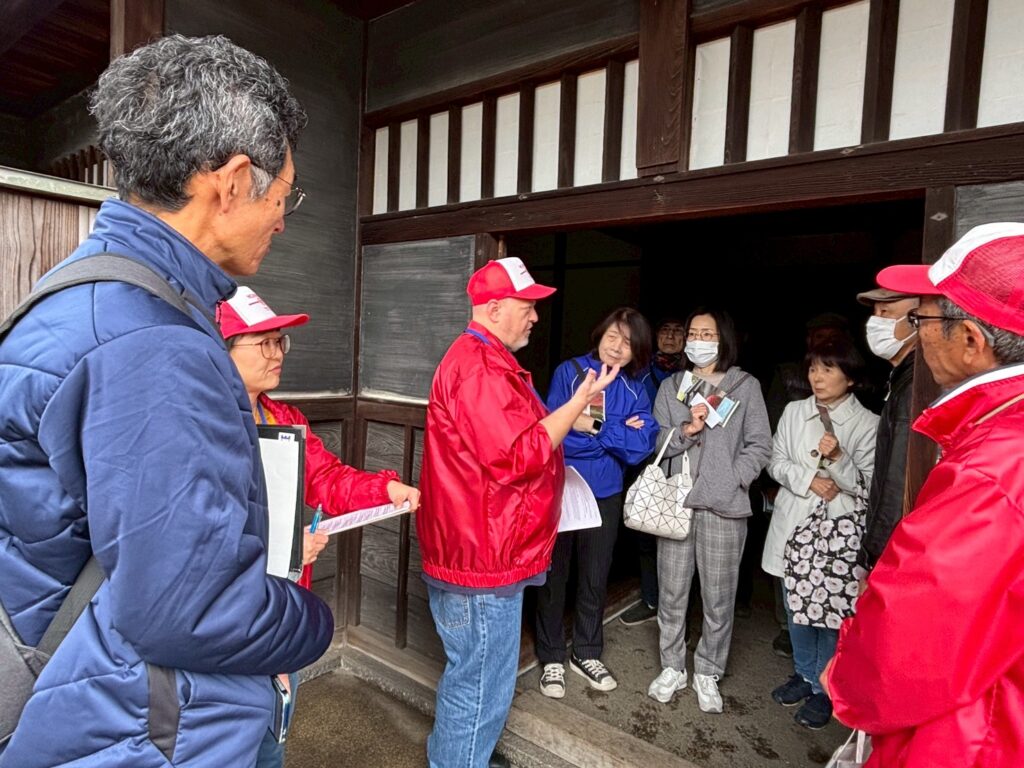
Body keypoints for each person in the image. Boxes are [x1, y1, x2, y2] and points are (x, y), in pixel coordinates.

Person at [0, 35, 333, 767]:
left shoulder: (84, 291)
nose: (284, 219)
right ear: (234, 181)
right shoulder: (153, 344)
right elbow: (191, 609)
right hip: (141, 732)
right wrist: (315, 621)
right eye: (286, 196)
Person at [824, 223, 1024, 767]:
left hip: (972, 737)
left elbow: (911, 637)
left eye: (922, 318)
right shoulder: (1001, 429)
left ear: (971, 341)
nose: (915, 331)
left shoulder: (996, 466)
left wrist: (847, 671)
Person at [417, 257, 618, 768]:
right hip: (481, 557)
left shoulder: (488, 360)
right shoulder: (479, 367)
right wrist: (579, 403)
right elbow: (519, 455)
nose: (534, 317)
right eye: (527, 307)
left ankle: (464, 756)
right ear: (493, 308)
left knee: (476, 677)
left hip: (483, 548)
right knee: (480, 684)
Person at [218, 287, 421, 768]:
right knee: (228, 734)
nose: (277, 353)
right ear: (219, 349)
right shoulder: (201, 423)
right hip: (228, 613)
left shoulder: (282, 417)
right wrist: (281, 546)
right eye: (263, 343)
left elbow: (326, 477)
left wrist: (383, 489)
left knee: (275, 727)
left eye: (280, 341)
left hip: (280, 605)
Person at [646, 308, 771, 713]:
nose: (698, 340)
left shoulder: (744, 386)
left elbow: (760, 445)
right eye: (693, 333)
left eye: (707, 333)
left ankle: (707, 670)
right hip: (678, 503)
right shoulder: (672, 386)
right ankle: (672, 666)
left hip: (725, 506)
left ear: (723, 339)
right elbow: (658, 440)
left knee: (719, 597)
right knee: (672, 592)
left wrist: (734, 478)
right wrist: (687, 430)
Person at [535, 308, 658, 697]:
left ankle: (586, 650)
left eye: (627, 342)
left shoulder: (639, 386)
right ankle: (551, 655)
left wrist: (596, 427)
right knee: (555, 575)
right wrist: (614, 435)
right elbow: (555, 433)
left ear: (636, 349)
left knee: (595, 574)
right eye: (612, 337)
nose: (618, 347)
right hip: (563, 486)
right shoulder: (569, 373)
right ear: (599, 334)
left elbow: (642, 447)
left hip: (606, 492)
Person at [762, 340, 877, 729]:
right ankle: (804, 674)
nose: (818, 377)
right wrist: (810, 478)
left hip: (836, 532)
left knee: (829, 612)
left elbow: (869, 487)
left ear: (850, 377)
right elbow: (775, 462)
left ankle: (826, 688)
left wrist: (839, 462)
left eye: (828, 369)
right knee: (796, 606)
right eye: (813, 369)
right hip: (794, 519)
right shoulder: (795, 412)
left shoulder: (868, 424)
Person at [762, 311, 854, 658]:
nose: (818, 376)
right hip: (793, 491)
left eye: (832, 338)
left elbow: (865, 472)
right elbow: (772, 444)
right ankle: (791, 635)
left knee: (829, 584)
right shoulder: (788, 377)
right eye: (818, 337)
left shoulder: (863, 399)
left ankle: (821, 672)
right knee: (787, 571)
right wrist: (800, 479)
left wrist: (837, 465)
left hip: (837, 510)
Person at [621, 316, 687, 626]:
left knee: (679, 531)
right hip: (644, 459)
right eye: (665, 329)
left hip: (683, 460)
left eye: (678, 331)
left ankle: (680, 609)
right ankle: (651, 598)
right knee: (645, 530)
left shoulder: (694, 374)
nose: (671, 337)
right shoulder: (639, 371)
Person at [854, 286, 919, 577]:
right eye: (875, 313)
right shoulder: (902, 380)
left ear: (916, 320)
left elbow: (897, 482)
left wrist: (874, 556)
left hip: (895, 552)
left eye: (887, 313)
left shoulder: (914, 388)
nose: (876, 322)